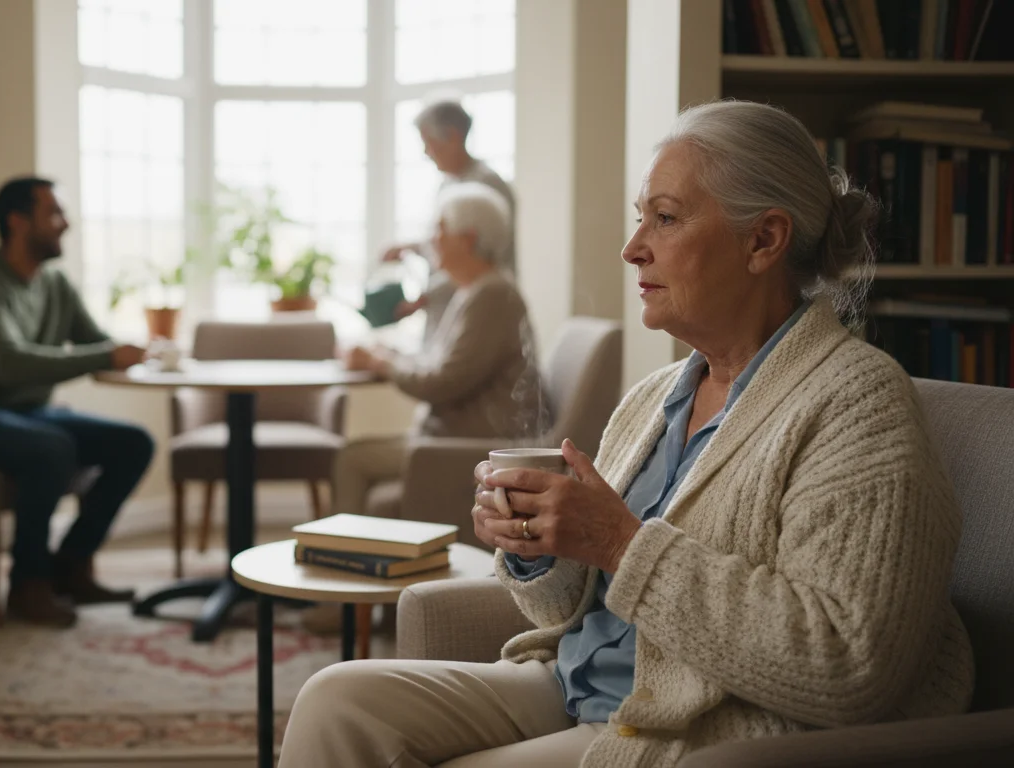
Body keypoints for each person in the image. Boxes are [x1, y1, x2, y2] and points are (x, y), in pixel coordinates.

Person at [281, 100, 974, 767]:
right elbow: (568, 606)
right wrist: (541, 548)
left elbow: (847, 664)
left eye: (664, 220)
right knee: (337, 700)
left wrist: (618, 540)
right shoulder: (653, 400)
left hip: (688, 721)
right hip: (571, 684)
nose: (632, 249)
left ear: (764, 239)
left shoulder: (856, 401)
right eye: (639, 219)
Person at [0, 176, 155, 628]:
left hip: (27, 413)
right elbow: (10, 364)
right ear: (17, 221)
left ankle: (70, 565)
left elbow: (96, 342)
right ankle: (27, 584)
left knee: (134, 443)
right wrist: (106, 355)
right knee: (50, 448)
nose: (65, 224)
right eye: (54, 213)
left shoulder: (54, 285)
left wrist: (142, 353)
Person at [332, 181, 542, 518]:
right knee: (355, 454)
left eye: (440, 229)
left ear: (468, 238)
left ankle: (345, 560)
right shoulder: (475, 292)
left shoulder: (492, 297)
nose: (432, 239)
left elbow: (440, 382)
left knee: (351, 457)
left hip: (463, 445)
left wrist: (380, 362)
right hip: (452, 437)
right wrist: (387, 355)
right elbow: (442, 364)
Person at [383, 98, 517, 337]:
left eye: (428, 143)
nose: (426, 152)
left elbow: (486, 259)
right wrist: (412, 247)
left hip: (476, 312)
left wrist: (426, 297)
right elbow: (447, 243)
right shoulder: (447, 183)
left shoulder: (488, 186)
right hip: (447, 311)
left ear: (453, 136)